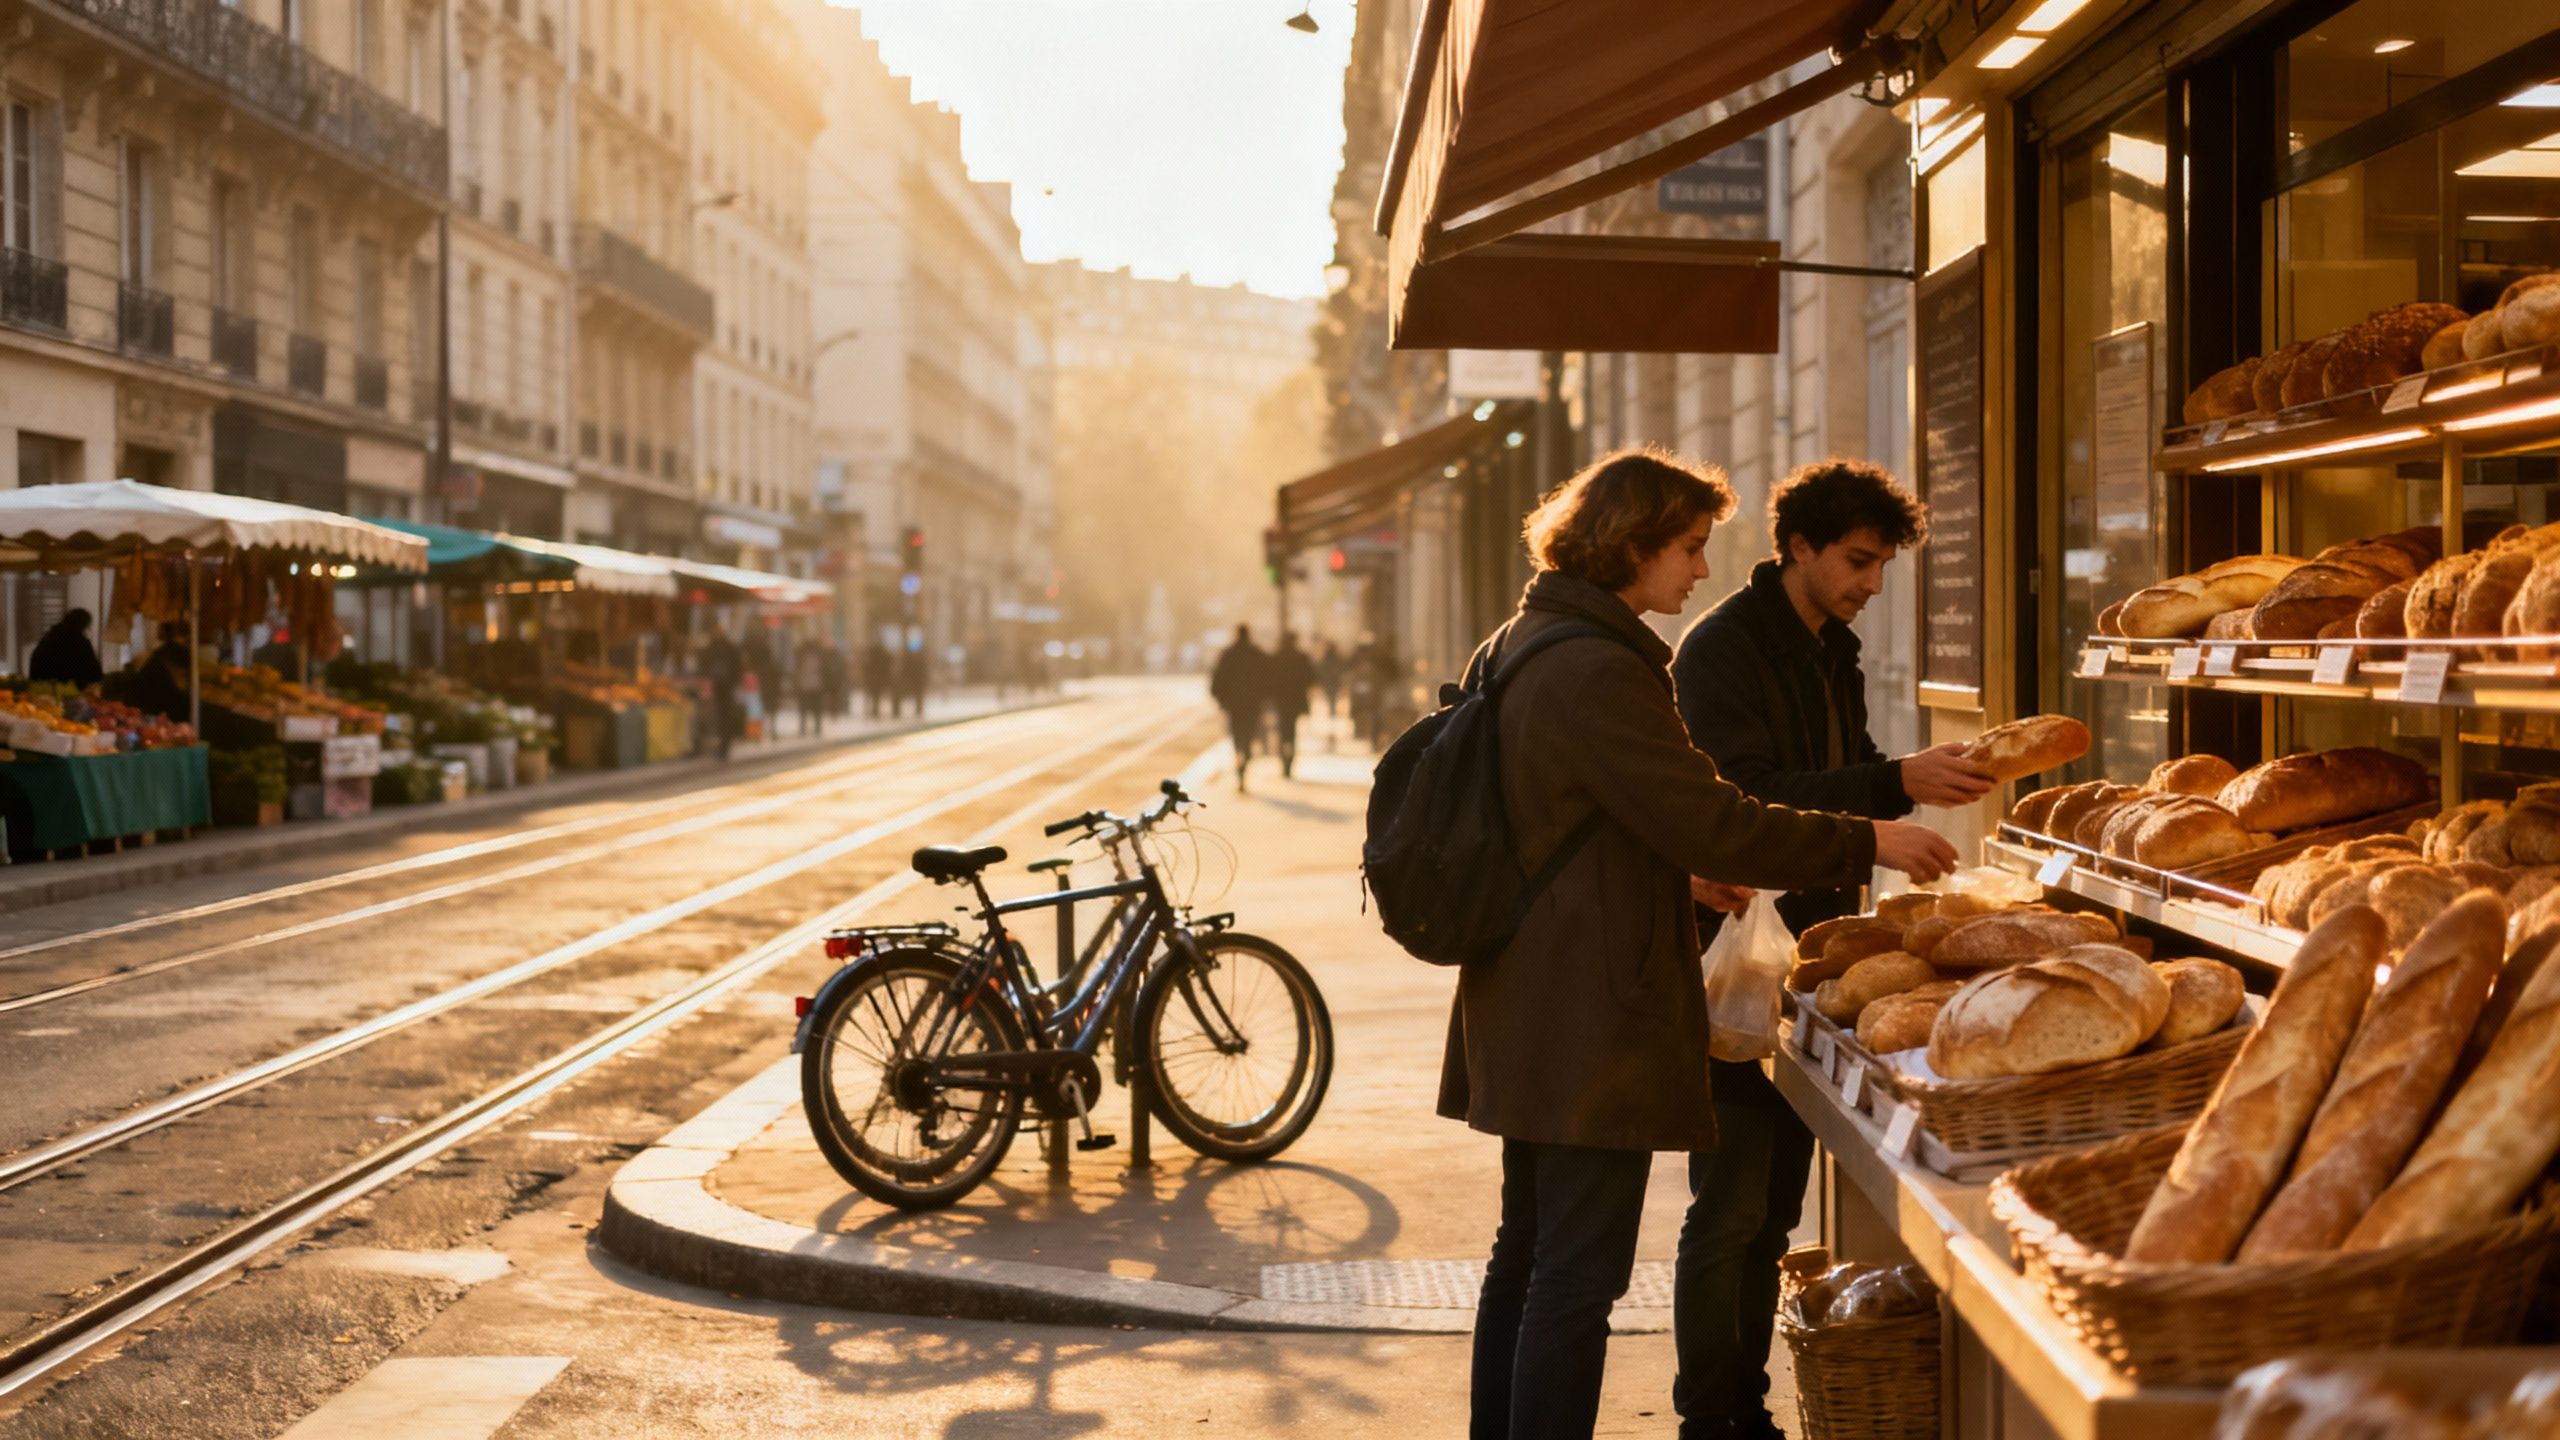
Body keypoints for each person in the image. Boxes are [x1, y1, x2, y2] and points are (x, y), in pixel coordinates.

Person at [1447, 448, 1956, 1440]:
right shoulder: (1599, 667)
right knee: (1574, 1275)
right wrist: (1870, 831)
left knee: (1529, 1252)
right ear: (1630, 545)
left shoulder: (1525, 640)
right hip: (1588, 1002)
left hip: (1527, 988)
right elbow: (1715, 817)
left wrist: (1674, 873)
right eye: (1686, 547)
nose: (1699, 570)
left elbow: (1560, 819)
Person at [1667, 458, 1992, 1440]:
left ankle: (1746, 1404)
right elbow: (1749, 801)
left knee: (1770, 1211)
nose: (1869, 584)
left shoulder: (1830, 647)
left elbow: (1827, 775)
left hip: (1813, 962)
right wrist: (1894, 784)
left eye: (1882, 565)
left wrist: (1894, 787)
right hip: (1734, 957)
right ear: (1798, 547)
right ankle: (1712, 1416)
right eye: (1857, 561)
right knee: (1729, 1206)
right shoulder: (1722, 649)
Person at [1208, 625, 1268, 792]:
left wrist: (1219, 697)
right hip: (1253, 704)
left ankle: (1240, 760)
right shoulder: (1257, 654)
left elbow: (1218, 677)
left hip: (1234, 704)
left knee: (1236, 735)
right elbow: (1268, 677)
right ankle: (1245, 758)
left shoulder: (1229, 654)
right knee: (1249, 734)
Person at [1265, 631, 1316, 779]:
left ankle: (1284, 762)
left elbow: (1269, 680)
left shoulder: (1275, 657)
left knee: (1282, 731)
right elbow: (1310, 677)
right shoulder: (1301, 657)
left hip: (1280, 701)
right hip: (1295, 700)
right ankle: (1289, 762)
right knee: (1291, 731)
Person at [130, 621, 194, 721]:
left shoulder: (162, 654)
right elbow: (177, 699)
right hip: (151, 715)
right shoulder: (171, 654)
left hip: (150, 710)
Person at [28, 608, 103, 688]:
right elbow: (95, 674)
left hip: (40, 687)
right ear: (84, 625)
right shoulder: (80, 643)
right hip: (68, 691)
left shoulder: (50, 636)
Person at [699, 628, 742, 760]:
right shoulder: (729, 647)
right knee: (725, 715)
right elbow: (738, 665)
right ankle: (724, 745)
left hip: (717, 686)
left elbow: (703, 662)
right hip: (726, 686)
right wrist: (735, 680)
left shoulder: (713, 648)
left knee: (721, 715)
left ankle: (722, 746)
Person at [793, 642, 827, 738]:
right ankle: (816, 728)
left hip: (805, 686)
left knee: (804, 709)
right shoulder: (819, 658)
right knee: (816, 709)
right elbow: (823, 672)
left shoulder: (801, 658)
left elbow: (798, 672)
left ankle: (804, 728)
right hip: (816, 686)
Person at [1315, 639, 1348, 721]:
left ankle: (1332, 711)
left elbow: (1322, 669)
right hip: (1334, 681)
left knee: (1331, 696)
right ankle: (1332, 711)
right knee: (1332, 696)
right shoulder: (1336, 657)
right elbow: (1341, 668)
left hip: (1328, 681)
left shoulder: (1326, 657)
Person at [862, 636, 893, 719]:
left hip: (874, 677)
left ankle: (874, 711)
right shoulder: (883, 653)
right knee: (877, 695)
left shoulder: (871, 653)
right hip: (879, 677)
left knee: (874, 695)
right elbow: (887, 666)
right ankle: (875, 711)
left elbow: (867, 666)